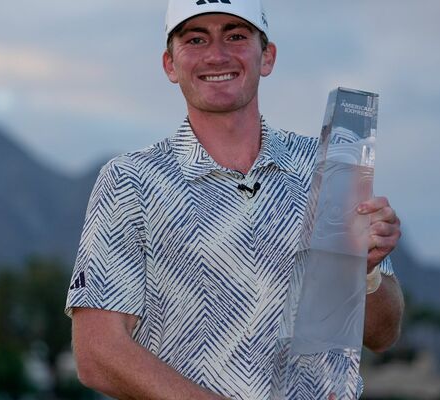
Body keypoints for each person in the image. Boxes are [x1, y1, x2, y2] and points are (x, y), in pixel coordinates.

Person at [65, 1, 404, 399]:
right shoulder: (132, 181)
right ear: (170, 64)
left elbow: (383, 334)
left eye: (236, 35)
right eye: (195, 39)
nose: (217, 54)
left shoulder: (326, 167)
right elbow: (97, 353)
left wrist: (362, 272)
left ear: (268, 56)